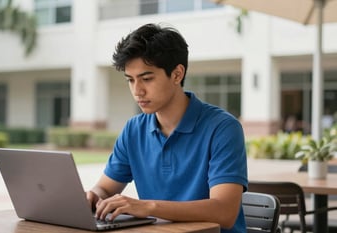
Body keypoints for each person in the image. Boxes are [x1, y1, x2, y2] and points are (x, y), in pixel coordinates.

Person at [86, 23, 248, 233]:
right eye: (130, 80)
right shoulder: (133, 129)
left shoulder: (223, 128)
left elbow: (225, 211)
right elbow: (106, 188)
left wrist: (148, 206)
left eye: (146, 78)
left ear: (177, 74)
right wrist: (94, 196)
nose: (137, 91)